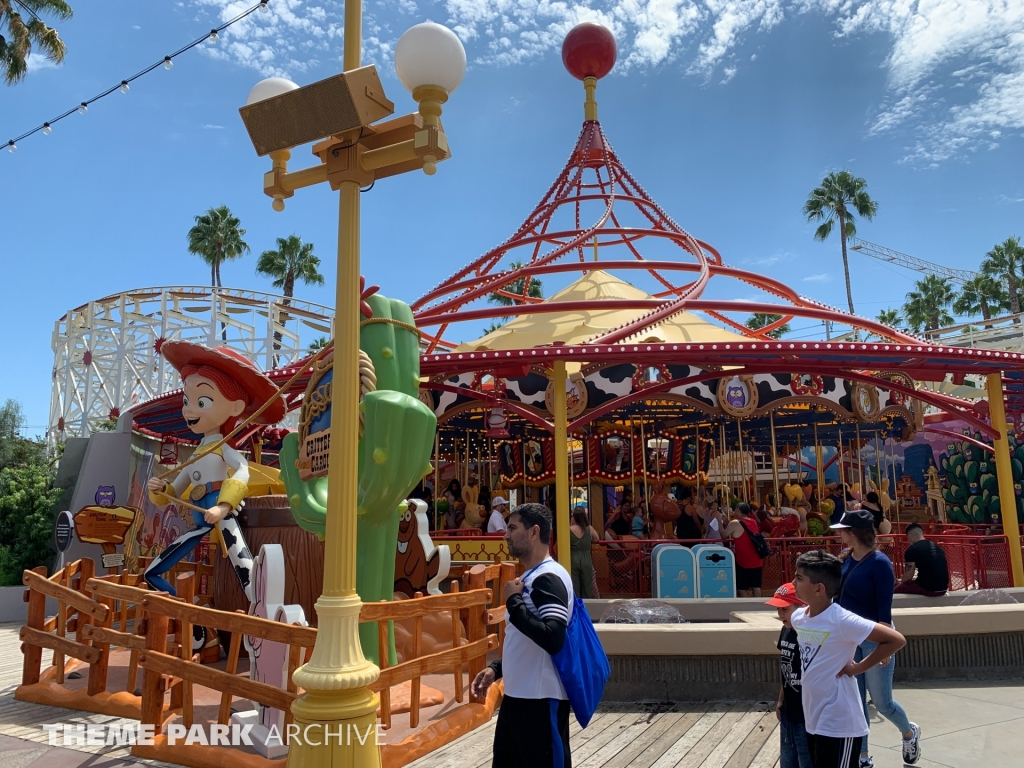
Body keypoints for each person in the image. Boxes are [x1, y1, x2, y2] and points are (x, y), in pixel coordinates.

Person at [470, 504, 574, 768]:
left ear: (534, 532)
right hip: (519, 698)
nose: (506, 535)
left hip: (540, 702)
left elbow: (553, 638)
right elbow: (527, 641)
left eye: (513, 528)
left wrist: (514, 602)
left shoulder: (548, 578)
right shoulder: (532, 577)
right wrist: (497, 668)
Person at [790, 550, 907, 768]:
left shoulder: (841, 619)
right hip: (813, 718)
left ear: (819, 588)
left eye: (799, 578)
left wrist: (858, 668)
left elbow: (895, 640)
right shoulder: (798, 618)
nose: (793, 582)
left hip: (839, 721)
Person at [832, 510, 921, 767]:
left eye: (842, 530)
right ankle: (862, 756)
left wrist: (886, 647)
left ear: (853, 533)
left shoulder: (879, 563)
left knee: (882, 702)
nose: (839, 534)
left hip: (874, 639)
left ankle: (908, 732)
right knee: (857, 703)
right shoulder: (846, 560)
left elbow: (884, 609)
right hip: (850, 640)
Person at [768, 583, 812, 768]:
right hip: (788, 709)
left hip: (806, 713)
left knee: (806, 760)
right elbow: (785, 671)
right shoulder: (786, 629)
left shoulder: (809, 634)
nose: (780, 614)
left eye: (785, 609)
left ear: (801, 608)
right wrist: (780, 702)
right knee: (787, 760)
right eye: (778, 609)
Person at [896, 524, 949, 596]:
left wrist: (901, 583)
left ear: (910, 535)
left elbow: (908, 576)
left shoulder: (912, 549)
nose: (908, 540)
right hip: (943, 588)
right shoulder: (936, 547)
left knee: (896, 590)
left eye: (907, 538)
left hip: (929, 589)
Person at [725, 502, 764, 597]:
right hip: (756, 558)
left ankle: (747, 606)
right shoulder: (753, 521)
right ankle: (756, 606)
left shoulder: (735, 522)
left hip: (743, 560)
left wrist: (719, 521)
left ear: (738, 510)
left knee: (741, 587)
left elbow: (724, 534)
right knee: (756, 586)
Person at [569, 506, 599, 599]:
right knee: (587, 583)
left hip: (573, 558)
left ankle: (577, 604)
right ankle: (587, 604)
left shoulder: (569, 529)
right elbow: (597, 539)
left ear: (574, 517)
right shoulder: (589, 528)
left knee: (575, 584)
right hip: (586, 558)